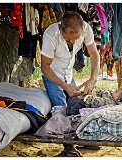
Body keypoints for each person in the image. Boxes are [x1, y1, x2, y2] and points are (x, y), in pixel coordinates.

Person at [40, 11, 100, 157]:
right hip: (52, 75)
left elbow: (94, 54)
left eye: (76, 39)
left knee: (75, 105)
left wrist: (92, 79)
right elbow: (45, 67)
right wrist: (65, 86)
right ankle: (69, 148)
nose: (73, 42)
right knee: (61, 108)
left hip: (68, 73)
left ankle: (83, 138)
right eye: (69, 38)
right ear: (61, 29)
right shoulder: (51, 35)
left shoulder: (86, 28)